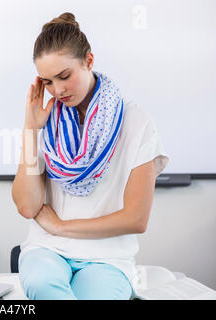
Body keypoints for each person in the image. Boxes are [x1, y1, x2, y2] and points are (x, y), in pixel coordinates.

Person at [11, 12, 169, 300]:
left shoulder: (136, 121)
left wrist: (61, 226)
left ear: (89, 61)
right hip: (47, 248)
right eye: (47, 81)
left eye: (65, 76)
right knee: (43, 284)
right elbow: (27, 205)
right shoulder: (48, 122)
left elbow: (136, 219)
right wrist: (31, 129)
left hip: (107, 257)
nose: (57, 90)